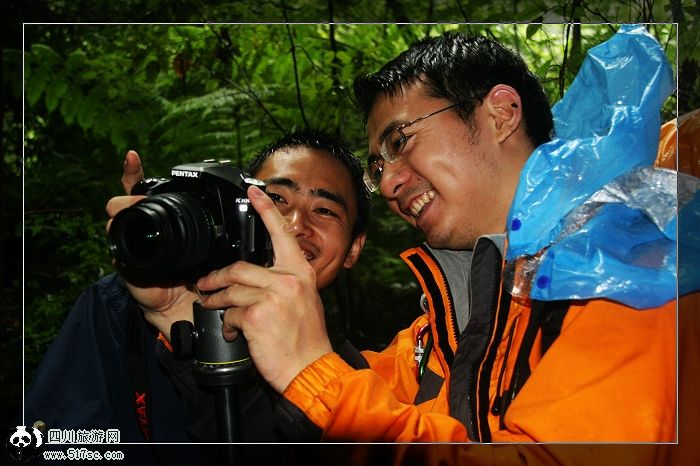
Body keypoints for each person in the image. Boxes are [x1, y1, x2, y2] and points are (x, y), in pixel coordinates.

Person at [196, 27, 690, 447]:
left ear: (500, 114)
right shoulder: (446, 325)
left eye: (399, 141)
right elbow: (363, 388)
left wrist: (314, 374)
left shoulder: (627, 268)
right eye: (378, 166)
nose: (387, 184)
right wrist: (184, 309)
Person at [23, 129, 370, 449]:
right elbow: (48, 445)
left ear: (353, 249)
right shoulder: (124, 308)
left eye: (324, 210)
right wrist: (175, 317)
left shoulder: (353, 387)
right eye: (275, 199)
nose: (295, 225)